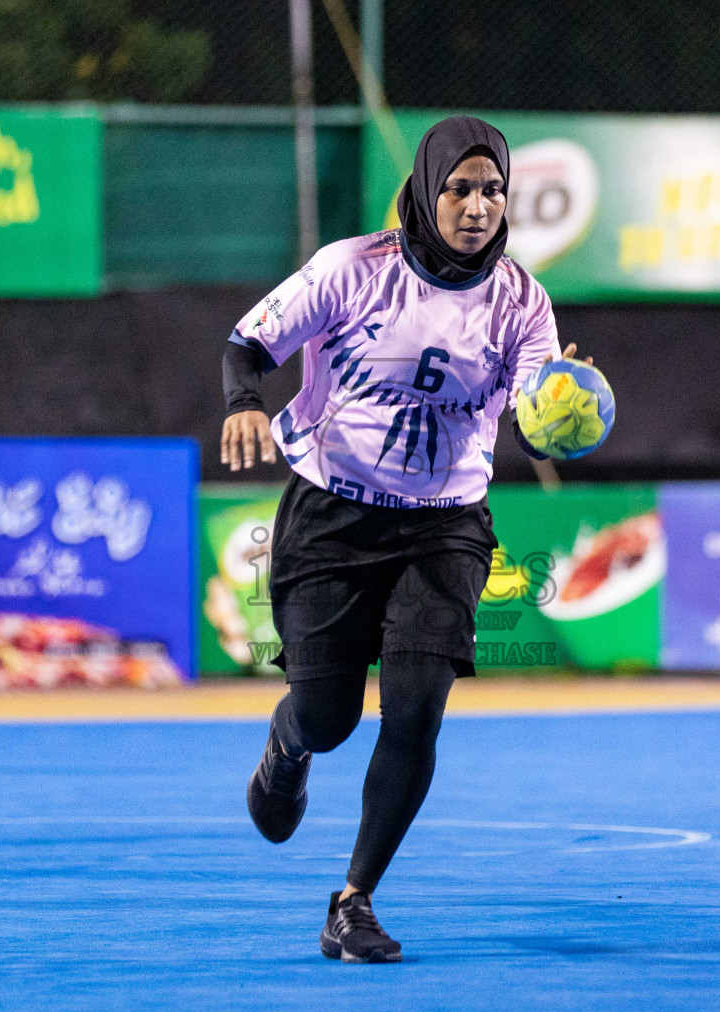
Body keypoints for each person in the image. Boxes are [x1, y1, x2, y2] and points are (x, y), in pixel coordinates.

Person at [220, 116, 572, 962]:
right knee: (330, 715)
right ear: (425, 189)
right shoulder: (353, 268)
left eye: (493, 191)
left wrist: (562, 409)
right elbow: (247, 344)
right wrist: (241, 404)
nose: (478, 206)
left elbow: (532, 409)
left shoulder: (523, 301)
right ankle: (287, 746)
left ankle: (355, 900)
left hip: (446, 523)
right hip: (331, 515)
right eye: (460, 188)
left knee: (416, 710)